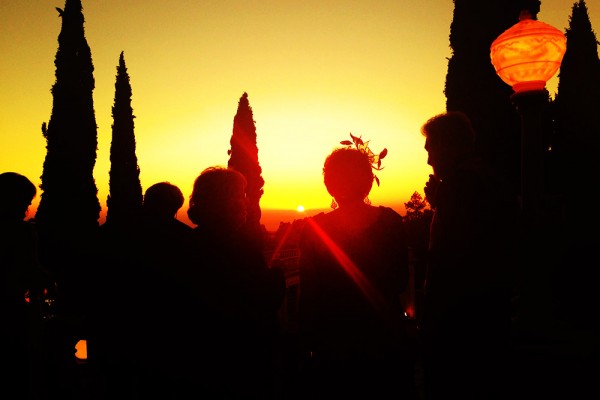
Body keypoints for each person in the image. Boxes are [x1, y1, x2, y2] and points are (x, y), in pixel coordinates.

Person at [297, 138, 418, 400]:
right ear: (367, 181)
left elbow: (309, 295)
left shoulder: (315, 230)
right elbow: (401, 281)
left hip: (335, 343)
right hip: (385, 340)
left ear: (329, 185)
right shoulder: (391, 223)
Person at [420, 111, 519, 400]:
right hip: (490, 317)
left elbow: (456, 255)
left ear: (447, 144)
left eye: (430, 150)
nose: (429, 160)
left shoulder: (460, 185)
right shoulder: (488, 180)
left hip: (460, 326)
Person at [183, 166, 286, 398]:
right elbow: (263, 299)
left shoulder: (187, 244)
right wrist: (278, 274)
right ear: (230, 203)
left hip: (200, 360)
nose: (246, 202)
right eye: (241, 195)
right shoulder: (241, 247)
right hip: (242, 358)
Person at [0, 172, 52, 399]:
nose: (26, 208)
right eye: (24, 202)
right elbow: (31, 270)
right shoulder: (21, 232)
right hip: (11, 314)